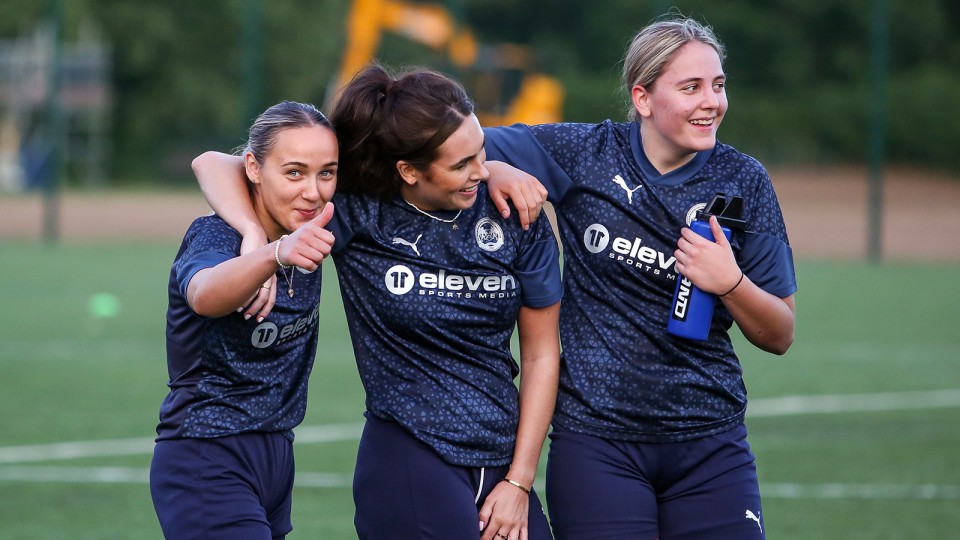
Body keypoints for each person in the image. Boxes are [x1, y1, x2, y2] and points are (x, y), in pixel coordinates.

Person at [192, 64, 562, 540]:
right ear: (408, 170)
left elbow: (539, 353)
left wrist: (519, 480)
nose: (482, 171)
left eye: (483, 154)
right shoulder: (355, 209)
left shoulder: (516, 212)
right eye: (461, 164)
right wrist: (254, 237)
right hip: (409, 457)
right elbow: (215, 163)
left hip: (501, 463)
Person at [482, 15, 797, 539]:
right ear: (643, 98)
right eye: (691, 87)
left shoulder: (745, 180)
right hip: (597, 444)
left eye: (718, 86)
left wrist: (731, 283)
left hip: (710, 443)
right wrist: (493, 167)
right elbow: (451, 140)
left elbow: (781, 333)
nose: (711, 102)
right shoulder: (586, 153)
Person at [149, 100, 338, 540]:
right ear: (253, 168)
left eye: (326, 173)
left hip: (276, 454)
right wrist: (269, 253)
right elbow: (203, 293)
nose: (313, 191)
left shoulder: (313, 220)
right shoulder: (216, 234)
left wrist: (495, 171)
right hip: (206, 453)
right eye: (294, 172)